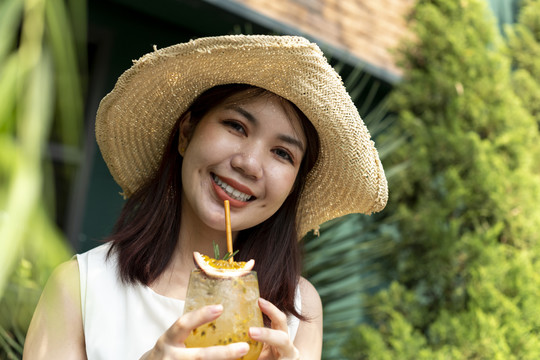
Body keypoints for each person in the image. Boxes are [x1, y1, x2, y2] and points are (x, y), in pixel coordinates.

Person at [23, 35, 388, 359]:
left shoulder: (297, 309)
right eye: (236, 126)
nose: (248, 164)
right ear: (186, 133)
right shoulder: (81, 287)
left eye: (283, 153)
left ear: (294, 184)